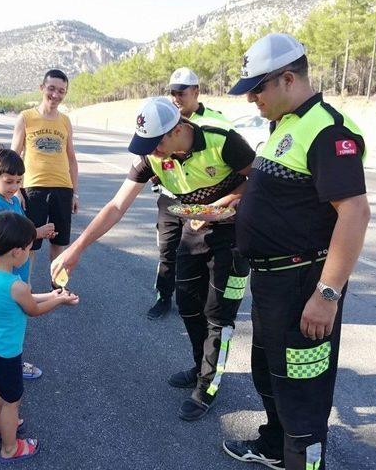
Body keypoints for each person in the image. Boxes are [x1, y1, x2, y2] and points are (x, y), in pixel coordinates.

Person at [51, 97, 255, 421]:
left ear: (177, 129)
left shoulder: (223, 141)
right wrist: (76, 249)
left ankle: (208, 385)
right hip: (195, 228)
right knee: (188, 305)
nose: (151, 151)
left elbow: (258, 179)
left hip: (234, 237)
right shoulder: (152, 157)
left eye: (155, 143)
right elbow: (116, 206)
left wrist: (222, 205)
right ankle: (201, 365)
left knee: (219, 315)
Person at [221, 33, 370, 470]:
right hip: (272, 283)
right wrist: (234, 210)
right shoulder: (285, 122)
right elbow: (284, 196)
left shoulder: (328, 129)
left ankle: (303, 461)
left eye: (256, 88)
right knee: (270, 373)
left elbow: (355, 213)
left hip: (304, 283)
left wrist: (327, 296)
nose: (250, 98)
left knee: (302, 389)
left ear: (288, 78)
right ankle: (274, 444)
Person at [0, 211, 79, 463]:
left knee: (2, 391)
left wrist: (55, 295)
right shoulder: (16, 286)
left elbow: (28, 297)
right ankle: (10, 448)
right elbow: (32, 309)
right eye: (28, 248)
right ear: (16, 252)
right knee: (13, 401)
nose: (30, 252)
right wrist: (59, 303)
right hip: (6, 353)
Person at [147, 67, 233, 320]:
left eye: (181, 92)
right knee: (167, 249)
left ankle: (206, 304)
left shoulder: (217, 123)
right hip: (171, 198)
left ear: (196, 91)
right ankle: (164, 296)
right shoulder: (163, 122)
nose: (175, 97)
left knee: (200, 254)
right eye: (172, 92)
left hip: (203, 203)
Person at [0, 145, 56, 384]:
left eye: (19, 182)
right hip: (6, 274)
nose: (15, 187)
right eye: (9, 182)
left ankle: (11, 363)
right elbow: (7, 238)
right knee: (5, 324)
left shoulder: (12, 199)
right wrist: (37, 232)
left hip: (18, 272)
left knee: (15, 325)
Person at [11, 69, 79, 281]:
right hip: (33, 189)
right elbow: (14, 156)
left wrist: (74, 193)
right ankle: (24, 287)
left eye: (61, 91)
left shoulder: (65, 121)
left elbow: (72, 159)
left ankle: (58, 287)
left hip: (62, 189)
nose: (56, 95)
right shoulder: (26, 118)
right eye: (51, 89)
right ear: (42, 88)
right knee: (29, 243)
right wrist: (16, 190)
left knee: (59, 244)